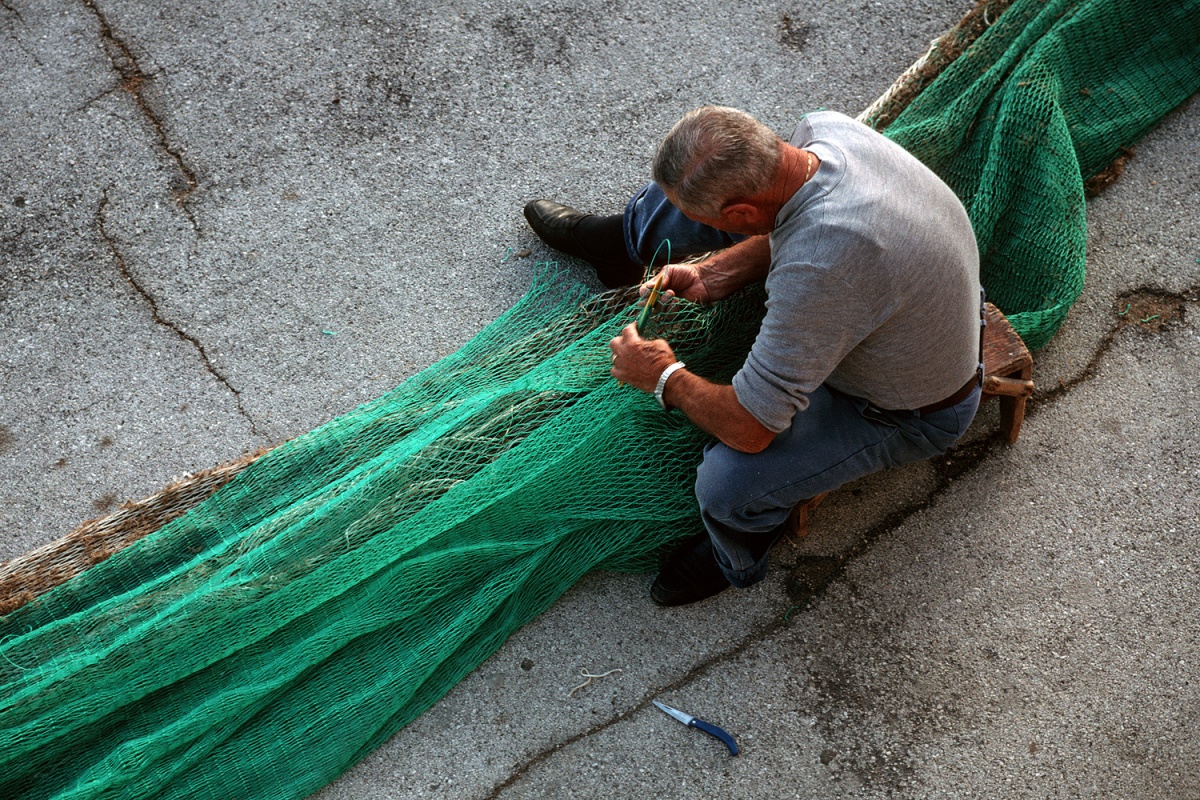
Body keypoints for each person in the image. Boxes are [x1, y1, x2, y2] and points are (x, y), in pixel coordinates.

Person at [523, 106, 983, 606]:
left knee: (727, 484)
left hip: (908, 410)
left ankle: (738, 556)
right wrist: (712, 273)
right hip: (896, 291)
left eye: (723, 223)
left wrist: (663, 377)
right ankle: (619, 243)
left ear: (741, 216)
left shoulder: (823, 268)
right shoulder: (823, 132)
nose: (703, 236)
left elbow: (750, 426)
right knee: (688, 192)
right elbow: (789, 223)